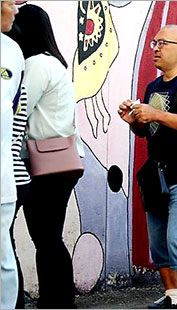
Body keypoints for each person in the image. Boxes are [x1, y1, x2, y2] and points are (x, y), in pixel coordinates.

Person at [119, 25, 177, 309]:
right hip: (156, 173)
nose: (156, 48)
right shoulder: (153, 86)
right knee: (159, 242)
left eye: (162, 43)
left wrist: (155, 112)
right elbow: (149, 131)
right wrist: (134, 120)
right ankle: (172, 295)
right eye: (154, 43)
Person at [14, 5, 86, 308]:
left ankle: (57, 300)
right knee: (48, 237)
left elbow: (18, 108)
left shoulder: (36, 65)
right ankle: (57, 299)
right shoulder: (53, 63)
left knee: (46, 237)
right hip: (61, 161)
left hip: (47, 163)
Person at [1, 2, 21, 308]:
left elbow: (15, 110)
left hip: (4, 179)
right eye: (9, 2)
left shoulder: (11, 51)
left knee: (4, 263)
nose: (15, 10)